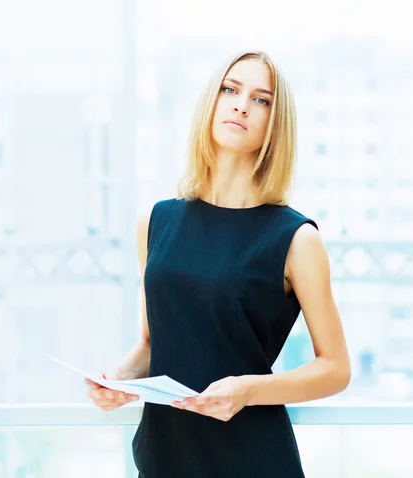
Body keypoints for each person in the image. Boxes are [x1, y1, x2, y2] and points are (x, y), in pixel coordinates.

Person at [84, 49, 351, 477]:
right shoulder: (155, 222)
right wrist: (117, 379)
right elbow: (155, 345)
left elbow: (335, 369)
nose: (242, 104)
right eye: (230, 89)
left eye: (262, 99)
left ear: (274, 125)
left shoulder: (297, 239)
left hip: (252, 458)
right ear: (212, 101)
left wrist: (248, 390)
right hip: (163, 456)